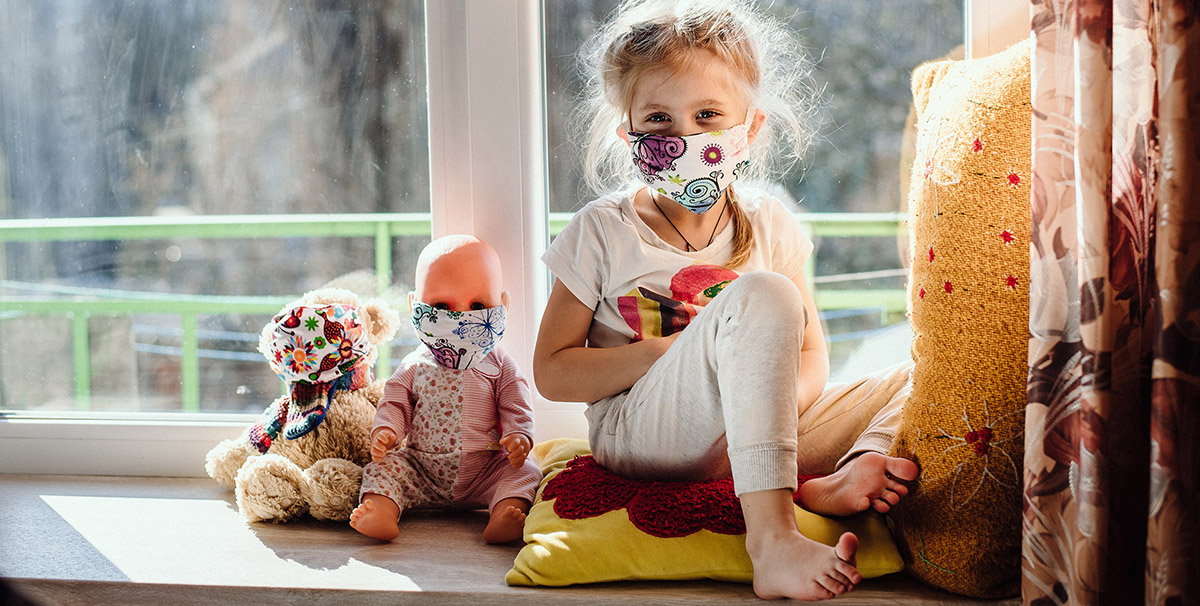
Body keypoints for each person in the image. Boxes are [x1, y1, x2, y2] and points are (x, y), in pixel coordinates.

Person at [533, 0, 919, 600]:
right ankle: (773, 540)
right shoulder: (601, 230)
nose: (684, 136)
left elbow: (812, 355)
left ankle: (838, 476)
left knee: (920, 373)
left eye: (708, 114)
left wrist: (761, 407)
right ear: (627, 132)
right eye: (658, 120)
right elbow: (552, 373)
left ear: (750, 128)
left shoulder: (771, 223)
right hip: (642, 432)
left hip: (747, 429)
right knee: (762, 293)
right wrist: (663, 352)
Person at [351, 235, 540, 544]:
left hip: (485, 473)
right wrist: (386, 430)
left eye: (478, 305)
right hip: (421, 471)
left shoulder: (501, 365)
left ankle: (506, 512)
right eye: (441, 306)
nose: (461, 317)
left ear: (502, 305)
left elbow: (516, 402)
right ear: (416, 306)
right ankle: (382, 511)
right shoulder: (415, 365)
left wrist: (520, 435)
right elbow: (395, 401)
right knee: (382, 468)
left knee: (525, 472)